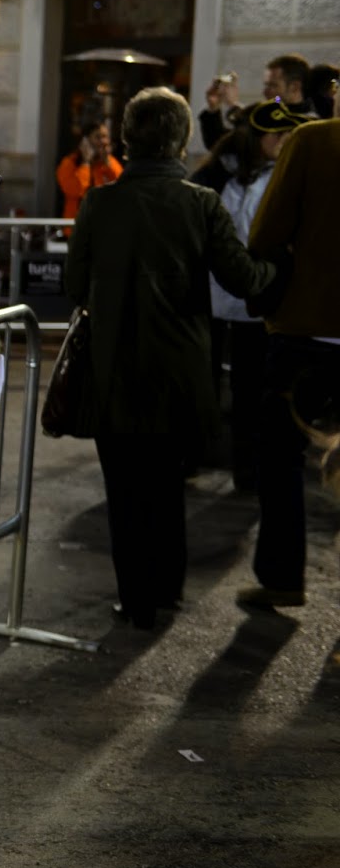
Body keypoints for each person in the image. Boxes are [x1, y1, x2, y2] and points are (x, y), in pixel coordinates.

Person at [64, 87, 276, 630]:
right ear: (181, 141)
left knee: (124, 490)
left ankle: (136, 600)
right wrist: (282, 265)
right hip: (181, 372)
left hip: (114, 370)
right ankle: (167, 589)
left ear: (128, 140)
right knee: (166, 484)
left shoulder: (99, 204)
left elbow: (73, 286)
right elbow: (245, 279)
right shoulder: (201, 204)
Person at [244, 99, 340, 609]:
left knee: (281, 456)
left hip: (308, 328)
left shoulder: (314, 139)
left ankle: (282, 577)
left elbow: (266, 231)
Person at [201, 101, 314, 491]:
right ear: (256, 137)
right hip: (212, 299)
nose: (284, 141)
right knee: (203, 383)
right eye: (277, 134)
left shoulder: (283, 175)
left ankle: (246, 469)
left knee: (250, 391)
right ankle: (193, 457)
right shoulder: (217, 175)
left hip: (258, 303)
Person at [55, 121, 122, 219]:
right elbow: (75, 191)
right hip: (76, 224)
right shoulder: (70, 163)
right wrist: (85, 162)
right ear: (85, 141)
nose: (103, 142)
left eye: (105, 137)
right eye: (98, 137)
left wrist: (107, 163)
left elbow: (122, 190)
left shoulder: (111, 163)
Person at [198, 71, 240, 150]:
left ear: (236, 90)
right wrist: (213, 108)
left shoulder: (242, 112)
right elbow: (210, 143)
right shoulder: (207, 115)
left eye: (229, 86)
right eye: (223, 86)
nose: (225, 90)